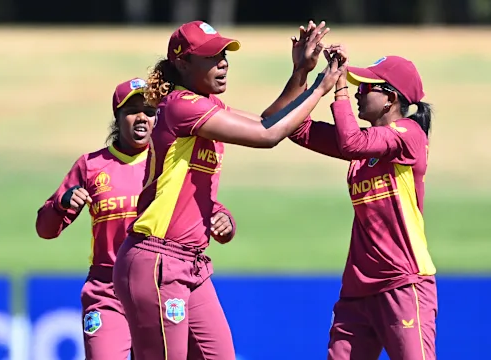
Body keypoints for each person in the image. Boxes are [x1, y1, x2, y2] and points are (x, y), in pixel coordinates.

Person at [111, 19, 344, 360]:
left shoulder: (204, 106)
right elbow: (268, 136)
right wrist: (322, 88)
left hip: (190, 263)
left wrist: (300, 73)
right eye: (211, 56)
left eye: (224, 55)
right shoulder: (181, 106)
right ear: (182, 63)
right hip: (156, 260)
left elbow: (266, 121)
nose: (223, 63)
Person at [34, 78, 238, 360]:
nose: (142, 117)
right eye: (132, 110)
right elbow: (45, 229)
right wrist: (61, 203)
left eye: (150, 110)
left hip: (162, 282)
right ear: (117, 117)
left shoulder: (172, 158)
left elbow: (207, 204)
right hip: (108, 292)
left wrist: (224, 221)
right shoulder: (91, 166)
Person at [283, 45, 438, 360]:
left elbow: (352, 142)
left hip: (403, 282)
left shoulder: (409, 134)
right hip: (358, 290)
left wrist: (338, 89)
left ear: (390, 99)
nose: (356, 93)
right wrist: (303, 73)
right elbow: (297, 129)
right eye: (355, 87)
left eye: (365, 88)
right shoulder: (365, 145)